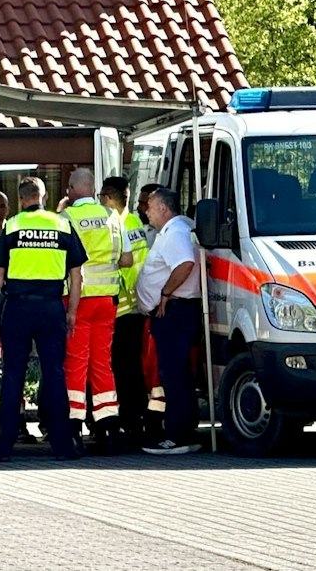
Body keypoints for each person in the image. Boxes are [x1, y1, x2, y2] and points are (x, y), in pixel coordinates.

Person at [0, 176, 87, 463]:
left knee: (13, 374)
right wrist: (72, 312)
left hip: (17, 309)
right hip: (51, 307)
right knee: (54, 373)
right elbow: (77, 275)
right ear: (44, 197)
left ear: (20, 199)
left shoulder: (13, 225)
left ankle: (3, 447)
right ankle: (62, 446)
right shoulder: (62, 224)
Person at [62, 174, 132, 447]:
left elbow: (62, 261)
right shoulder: (112, 216)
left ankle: (73, 427)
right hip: (107, 300)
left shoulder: (66, 218)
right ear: (93, 190)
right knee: (102, 361)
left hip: (78, 300)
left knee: (76, 362)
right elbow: (126, 259)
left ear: (72, 189)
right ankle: (108, 428)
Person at [136, 185, 203, 455]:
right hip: (175, 311)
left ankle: (178, 435)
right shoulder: (178, 228)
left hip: (174, 311)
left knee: (174, 374)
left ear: (163, 208)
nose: (146, 212)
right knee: (178, 373)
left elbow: (184, 264)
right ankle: (183, 430)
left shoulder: (175, 232)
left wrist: (165, 293)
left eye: (150, 207)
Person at [110, 182, 156, 448]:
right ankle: (135, 421)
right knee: (133, 369)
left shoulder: (117, 225)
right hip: (137, 307)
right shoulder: (135, 224)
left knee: (122, 370)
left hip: (121, 308)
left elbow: (124, 266)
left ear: (108, 197)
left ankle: (128, 421)